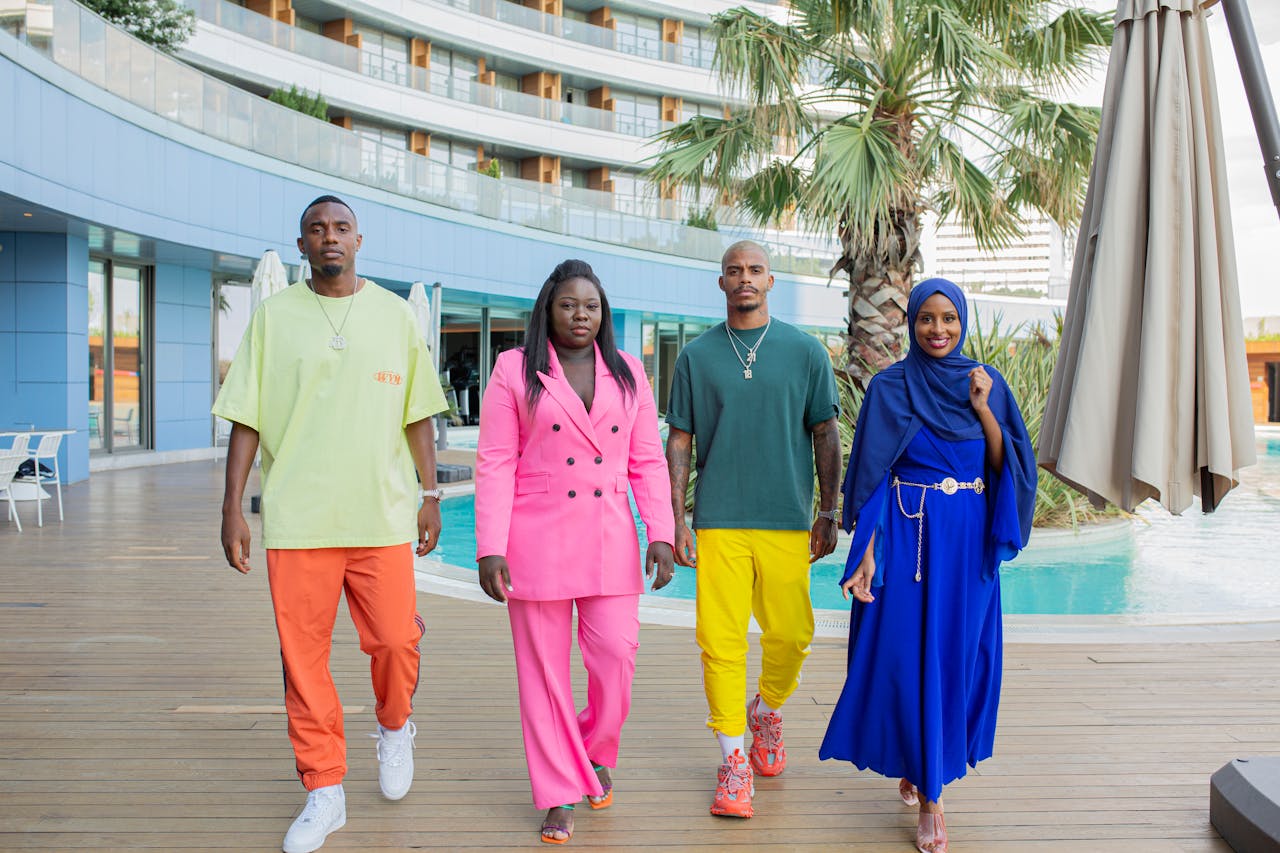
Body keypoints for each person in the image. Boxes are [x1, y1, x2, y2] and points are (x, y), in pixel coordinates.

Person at [215, 196, 449, 853]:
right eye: (317, 229)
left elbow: (418, 414)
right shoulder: (273, 317)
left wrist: (430, 493)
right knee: (303, 662)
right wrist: (233, 504)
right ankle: (325, 788)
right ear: (302, 243)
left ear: (359, 239)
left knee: (397, 643)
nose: (330, 238)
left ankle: (396, 724)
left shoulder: (395, 315)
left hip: (380, 514)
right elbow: (247, 416)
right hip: (298, 518)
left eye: (341, 228)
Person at [818, 278, 1037, 853]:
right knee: (904, 658)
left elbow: (1003, 464)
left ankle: (928, 768)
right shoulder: (890, 388)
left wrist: (985, 409)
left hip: (967, 545)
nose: (938, 330)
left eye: (948, 319)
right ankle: (933, 799)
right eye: (926, 320)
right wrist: (865, 552)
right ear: (911, 324)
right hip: (909, 537)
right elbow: (870, 477)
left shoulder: (985, 382)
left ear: (962, 322)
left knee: (953, 659)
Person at [474, 259, 676, 845]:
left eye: (590, 305)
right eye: (567, 304)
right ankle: (559, 790)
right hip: (535, 537)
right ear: (548, 310)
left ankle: (591, 749)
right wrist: (490, 545)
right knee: (542, 674)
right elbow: (494, 460)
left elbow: (646, 460)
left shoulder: (630, 371)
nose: (580, 314)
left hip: (611, 533)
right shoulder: (515, 369)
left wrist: (659, 531)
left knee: (616, 657)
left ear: (603, 313)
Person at [665, 240, 842, 819]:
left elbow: (825, 435)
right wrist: (676, 519)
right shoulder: (695, 356)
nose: (745, 279)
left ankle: (768, 707)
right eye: (734, 272)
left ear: (771, 282)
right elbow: (681, 441)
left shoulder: (805, 352)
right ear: (721, 284)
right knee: (720, 641)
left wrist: (828, 511)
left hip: (787, 519)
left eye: (755, 271)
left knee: (791, 634)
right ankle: (733, 760)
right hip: (718, 520)